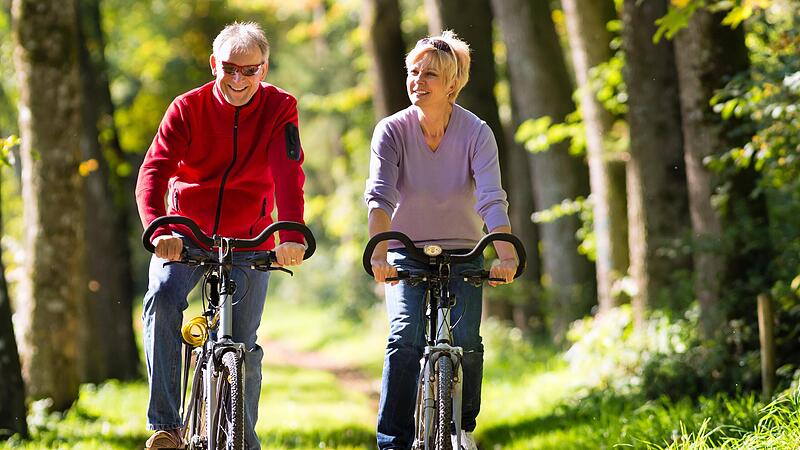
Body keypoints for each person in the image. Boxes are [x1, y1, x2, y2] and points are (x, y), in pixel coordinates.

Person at [135, 22, 307, 450]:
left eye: (250, 71)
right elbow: (153, 172)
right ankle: (166, 426)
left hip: (251, 237)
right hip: (185, 232)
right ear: (215, 64)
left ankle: (243, 442)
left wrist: (290, 234)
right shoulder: (186, 107)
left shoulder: (280, 107)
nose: (238, 80)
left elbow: (288, 172)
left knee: (243, 347)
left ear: (264, 69)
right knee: (164, 295)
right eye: (229, 68)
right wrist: (158, 227)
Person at [364, 31, 519, 450]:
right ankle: (392, 441)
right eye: (413, 72)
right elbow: (379, 196)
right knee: (405, 336)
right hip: (406, 252)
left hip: (464, 251)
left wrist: (506, 255)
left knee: (466, 341)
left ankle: (462, 427)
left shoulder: (476, 132)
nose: (418, 80)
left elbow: (491, 199)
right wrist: (379, 253)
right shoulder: (391, 131)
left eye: (429, 74)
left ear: (452, 84)